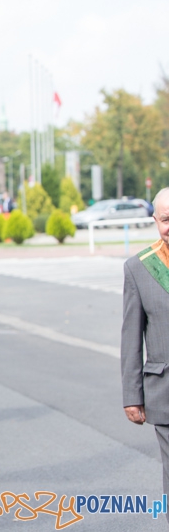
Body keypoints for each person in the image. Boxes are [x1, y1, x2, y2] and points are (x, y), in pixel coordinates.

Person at [122, 186, 169, 525]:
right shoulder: (140, 267)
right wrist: (131, 396)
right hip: (165, 391)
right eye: (167, 219)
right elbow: (130, 335)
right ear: (155, 221)